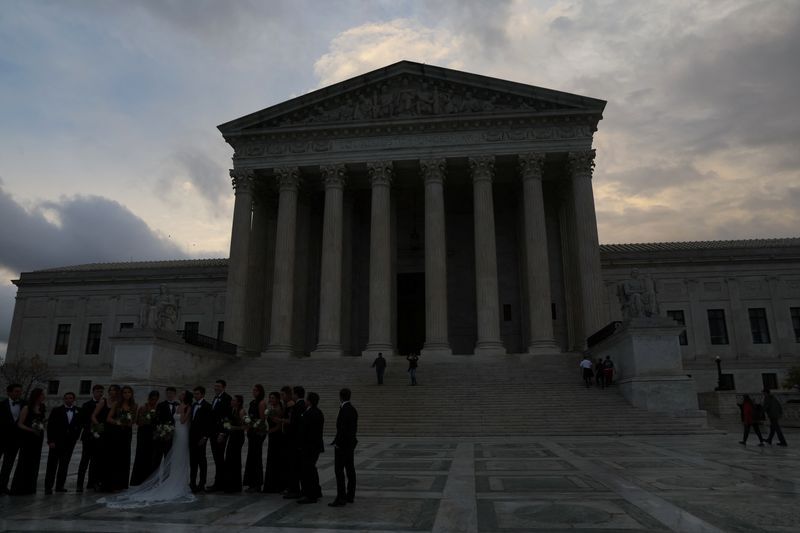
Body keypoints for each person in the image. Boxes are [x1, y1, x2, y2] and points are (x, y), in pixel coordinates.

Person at [99, 390, 195, 508]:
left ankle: (179, 482)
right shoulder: (169, 405)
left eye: (182, 394)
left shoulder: (185, 406)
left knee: (179, 458)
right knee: (170, 458)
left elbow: (183, 420)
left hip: (182, 433)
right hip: (172, 434)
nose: (179, 395)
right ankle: (167, 481)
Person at [10, 388, 46, 495]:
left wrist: (41, 427)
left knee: (35, 462)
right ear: (37, 396)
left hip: (38, 438)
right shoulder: (26, 407)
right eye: (42, 394)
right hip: (28, 439)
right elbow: (20, 424)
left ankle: (30, 487)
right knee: (24, 462)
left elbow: (41, 421)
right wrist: (32, 430)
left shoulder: (42, 407)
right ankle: (19, 487)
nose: (44, 396)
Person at [44, 391, 81, 494]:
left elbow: (79, 425)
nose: (69, 400)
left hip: (69, 443)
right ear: (64, 399)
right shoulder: (56, 410)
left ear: (74, 399)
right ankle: (48, 487)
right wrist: (50, 441)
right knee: (52, 465)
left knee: (64, 465)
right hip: (56, 442)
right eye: (67, 398)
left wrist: (75, 437)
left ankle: (60, 486)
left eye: (71, 398)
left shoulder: (78, 411)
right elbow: (50, 426)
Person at [329, 388, 358, 507]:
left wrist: (338, 443)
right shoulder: (352, 409)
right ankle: (350, 495)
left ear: (340, 396)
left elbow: (341, 429)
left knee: (339, 471)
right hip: (350, 444)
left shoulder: (344, 410)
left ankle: (341, 497)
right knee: (350, 469)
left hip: (343, 445)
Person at [104, 385, 137, 491]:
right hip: (116, 432)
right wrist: (118, 422)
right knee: (115, 456)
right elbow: (108, 418)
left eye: (129, 392)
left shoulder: (134, 405)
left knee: (124, 456)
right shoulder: (116, 404)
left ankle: (121, 484)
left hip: (127, 433)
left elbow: (133, 420)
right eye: (125, 392)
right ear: (121, 394)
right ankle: (111, 483)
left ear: (131, 394)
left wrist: (129, 421)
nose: (127, 394)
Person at [76, 384, 104, 492]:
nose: (99, 393)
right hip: (88, 435)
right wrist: (91, 427)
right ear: (93, 392)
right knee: (84, 460)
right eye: (97, 391)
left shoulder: (103, 404)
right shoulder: (87, 404)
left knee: (95, 461)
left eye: (101, 391)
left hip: (99, 436)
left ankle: (91, 483)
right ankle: (79, 484)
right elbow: (82, 420)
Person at [298, 391, 324, 504]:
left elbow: (307, 432)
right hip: (315, 446)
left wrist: (302, 445)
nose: (305, 401)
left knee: (307, 470)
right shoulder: (318, 412)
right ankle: (316, 491)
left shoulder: (310, 413)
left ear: (309, 401)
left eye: (306, 399)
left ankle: (310, 495)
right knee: (311, 469)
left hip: (309, 447)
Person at [91, 384, 119, 492]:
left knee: (111, 458)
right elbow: (93, 415)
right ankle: (97, 482)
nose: (113, 392)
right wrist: (98, 426)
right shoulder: (104, 401)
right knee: (100, 458)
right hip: (103, 431)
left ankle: (109, 482)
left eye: (115, 390)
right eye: (111, 390)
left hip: (114, 432)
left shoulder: (119, 403)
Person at [206, 379, 231, 492]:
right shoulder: (215, 398)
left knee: (220, 458)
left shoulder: (227, 398)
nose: (216, 388)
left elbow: (227, 417)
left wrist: (223, 433)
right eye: (215, 386)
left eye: (219, 386)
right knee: (217, 458)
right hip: (213, 432)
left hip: (220, 433)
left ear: (224, 387)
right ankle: (220, 482)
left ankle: (220, 483)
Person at [281, 386, 306, 499]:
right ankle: (295, 489)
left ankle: (294, 490)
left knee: (293, 466)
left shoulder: (297, 406)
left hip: (293, 440)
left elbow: (293, 424)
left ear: (295, 394)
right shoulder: (302, 405)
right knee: (295, 466)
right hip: (296, 440)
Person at [130, 390, 159, 486]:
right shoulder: (143, 407)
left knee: (151, 456)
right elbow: (138, 422)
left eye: (155, 399)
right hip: (143, 433)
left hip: (153, 434)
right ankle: (138, 480)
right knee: (141, 455)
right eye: (152, 399)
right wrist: (147, 419)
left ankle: (150, 479)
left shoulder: (158, 408)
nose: (153, 401)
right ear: (149, 398)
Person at [0, 383, 24, 495]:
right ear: (9, 392)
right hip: (1, 438)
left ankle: (2, 486)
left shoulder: (24, 404)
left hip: (14, 441)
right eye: (16, 391)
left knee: (8, 465)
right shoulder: (1, 405)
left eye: (20, 391)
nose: (18, 393)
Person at [189, 386, 213, 493]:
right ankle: (192, 482)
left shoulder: (207, 406)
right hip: (192, 437)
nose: (195, 396)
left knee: (201, 460)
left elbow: (209, 423)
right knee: (193, 461)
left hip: (201, 437)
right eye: (194, 394)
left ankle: (202, 483)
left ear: (202, 394)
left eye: (197, 394)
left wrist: (205, 437)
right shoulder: (193, 405)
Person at [243, 384, 266, 492]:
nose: (254, 392)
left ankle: (257, 483)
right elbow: (249, 416)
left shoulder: (261, 403)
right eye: (253, 390)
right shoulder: (252, 402)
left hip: (257, 433)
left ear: (260, 392)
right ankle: (251, 482)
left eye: (256, 390)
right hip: (252, 432)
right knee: (251, 457)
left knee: (256, 457)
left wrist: (253, 425)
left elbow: (261, 419)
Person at [221, 395, 246, 493]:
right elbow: (228, 425)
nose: (231, 401)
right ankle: (229, 484)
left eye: (234, 400)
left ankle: (235, 486)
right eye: (232, 400)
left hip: (238, 437)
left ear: (239, 402)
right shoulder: (233, 410)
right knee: (229, 459)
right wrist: (226, 425)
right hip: (232, 436)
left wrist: (233, 427)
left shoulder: (242, 411)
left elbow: (245, 426)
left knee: (234, 459)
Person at [263, 391, 284, 493]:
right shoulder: (271, 408)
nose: (271, 400)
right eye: (270, 397)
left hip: (277, 437)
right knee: (271, 459)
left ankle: (277, 485)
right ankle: (271, 484)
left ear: (278, 399)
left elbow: (278, 426)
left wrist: (268, 431)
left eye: (273, 398)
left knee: (276, 459)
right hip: (272, 436)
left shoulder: (279, 409)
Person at [153, 387, 180, 469]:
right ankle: (156, 476)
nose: (169, 395)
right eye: (168, 393)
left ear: (175, 394)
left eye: (171, 393)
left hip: (175, 434)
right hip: (162, 435)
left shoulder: (178, 405)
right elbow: (156, 419)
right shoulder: (160, 405)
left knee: (170, 457)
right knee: (158, 457)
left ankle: (168, 476)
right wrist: (161, 431)